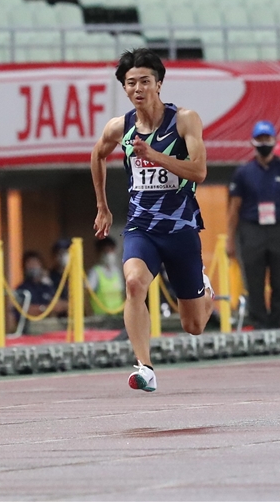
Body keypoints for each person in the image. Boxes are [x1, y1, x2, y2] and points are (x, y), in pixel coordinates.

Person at [90, 48, 213, 393]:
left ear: (159, 84)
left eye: (145, 81)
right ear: (125, 89)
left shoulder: (185, 120)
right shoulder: (121, 126)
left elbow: (199, 171)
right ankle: (145, 367)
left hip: (181, 228)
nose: (138, 88)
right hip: (141, 227)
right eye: (131, 83)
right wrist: (102, 206)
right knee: (133, 284)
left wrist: (154, 156)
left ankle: (204, 290)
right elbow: (96, 154)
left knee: (194, 325)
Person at [227, 121, 280, 329]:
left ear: (274, 140)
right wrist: (230, 239)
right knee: (254, 280)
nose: (264, 143)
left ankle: (276, 322)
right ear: (254, 142)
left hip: (279, 228)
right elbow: (234, 208)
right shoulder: (243, 172)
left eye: (267, 139)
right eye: (260, 139)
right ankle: (260, 323)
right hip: (251, 228)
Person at [11, 251, 64, 333]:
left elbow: (58, 305)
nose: (33, 267)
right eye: (30, 264)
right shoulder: (21, 288)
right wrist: (45, 308)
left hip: (50, 325)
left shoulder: (47, 286)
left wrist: (47, 281)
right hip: (29, 327)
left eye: (35, 263)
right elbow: (26, 310)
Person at [87, 237, 125, 317]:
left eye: (111, 250)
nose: (109, 254)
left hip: (118, 316)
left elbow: (122, 294)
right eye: (105, 251)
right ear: (99, 253)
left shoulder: (117, 272)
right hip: (100, 317)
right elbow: (87, 295)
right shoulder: (95, 272)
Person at [48, 238, 71, 318]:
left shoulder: (78, 274)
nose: (63, 256)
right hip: (58, 319)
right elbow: (53, 303)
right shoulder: (49, 276)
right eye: (60, 253)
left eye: (67, 253)